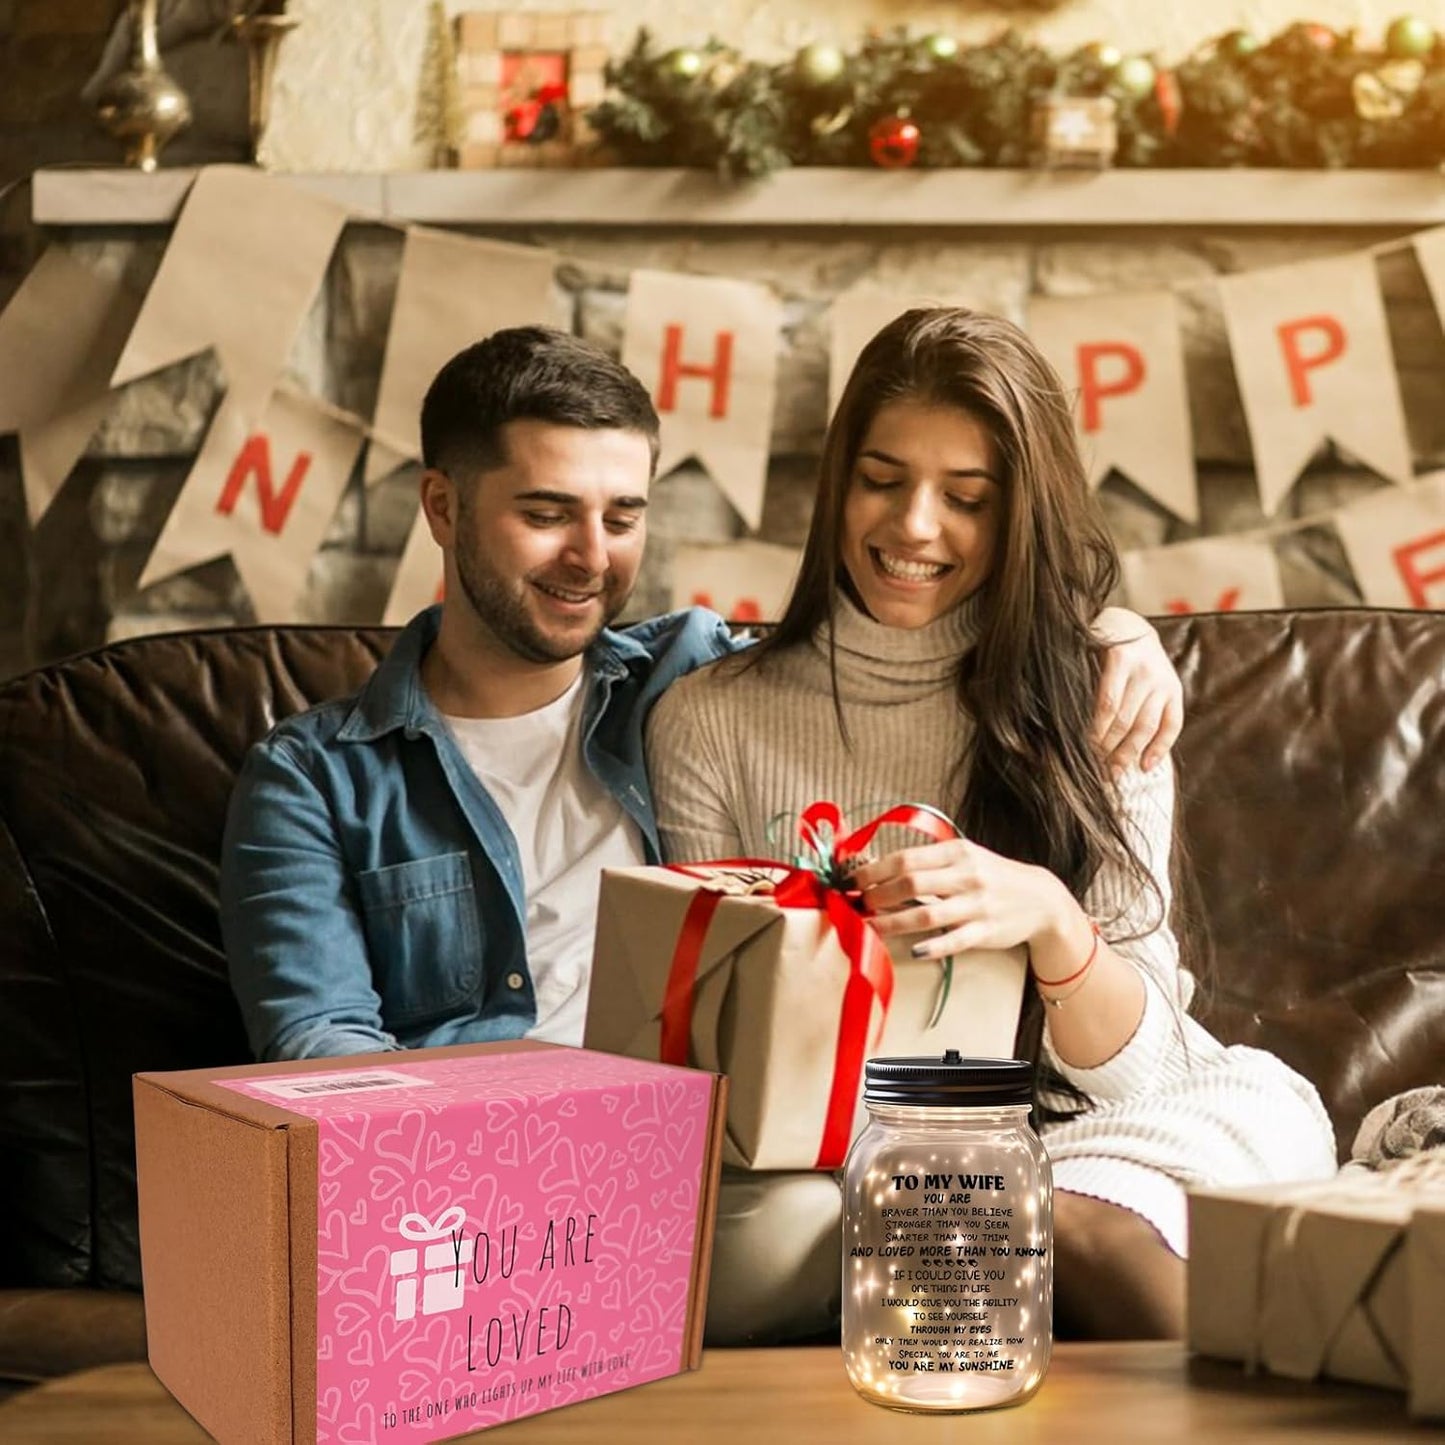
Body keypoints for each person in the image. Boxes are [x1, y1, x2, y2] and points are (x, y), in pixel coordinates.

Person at [644, 307, 1339, 1345]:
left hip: (1125, 1119)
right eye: (881, 479)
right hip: (876, 1148)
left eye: (965, 498)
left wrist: (1050, 918)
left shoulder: (1099, 693)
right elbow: (714, 1034)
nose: (915, 525)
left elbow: (1137, 1069)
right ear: (835, 483)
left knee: (1079, 1231)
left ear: (1018, 514)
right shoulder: (709, 719)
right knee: (973, 1223)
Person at [221, 324, 1183, 1069]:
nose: (590, 557)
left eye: (621, 517)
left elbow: (884, 646)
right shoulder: (312, 781)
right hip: (459, 1174)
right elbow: (320, 1050)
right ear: (442, 506)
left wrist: (1111, 634)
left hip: (694, 1144)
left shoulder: (683, 680)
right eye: (546, 513)